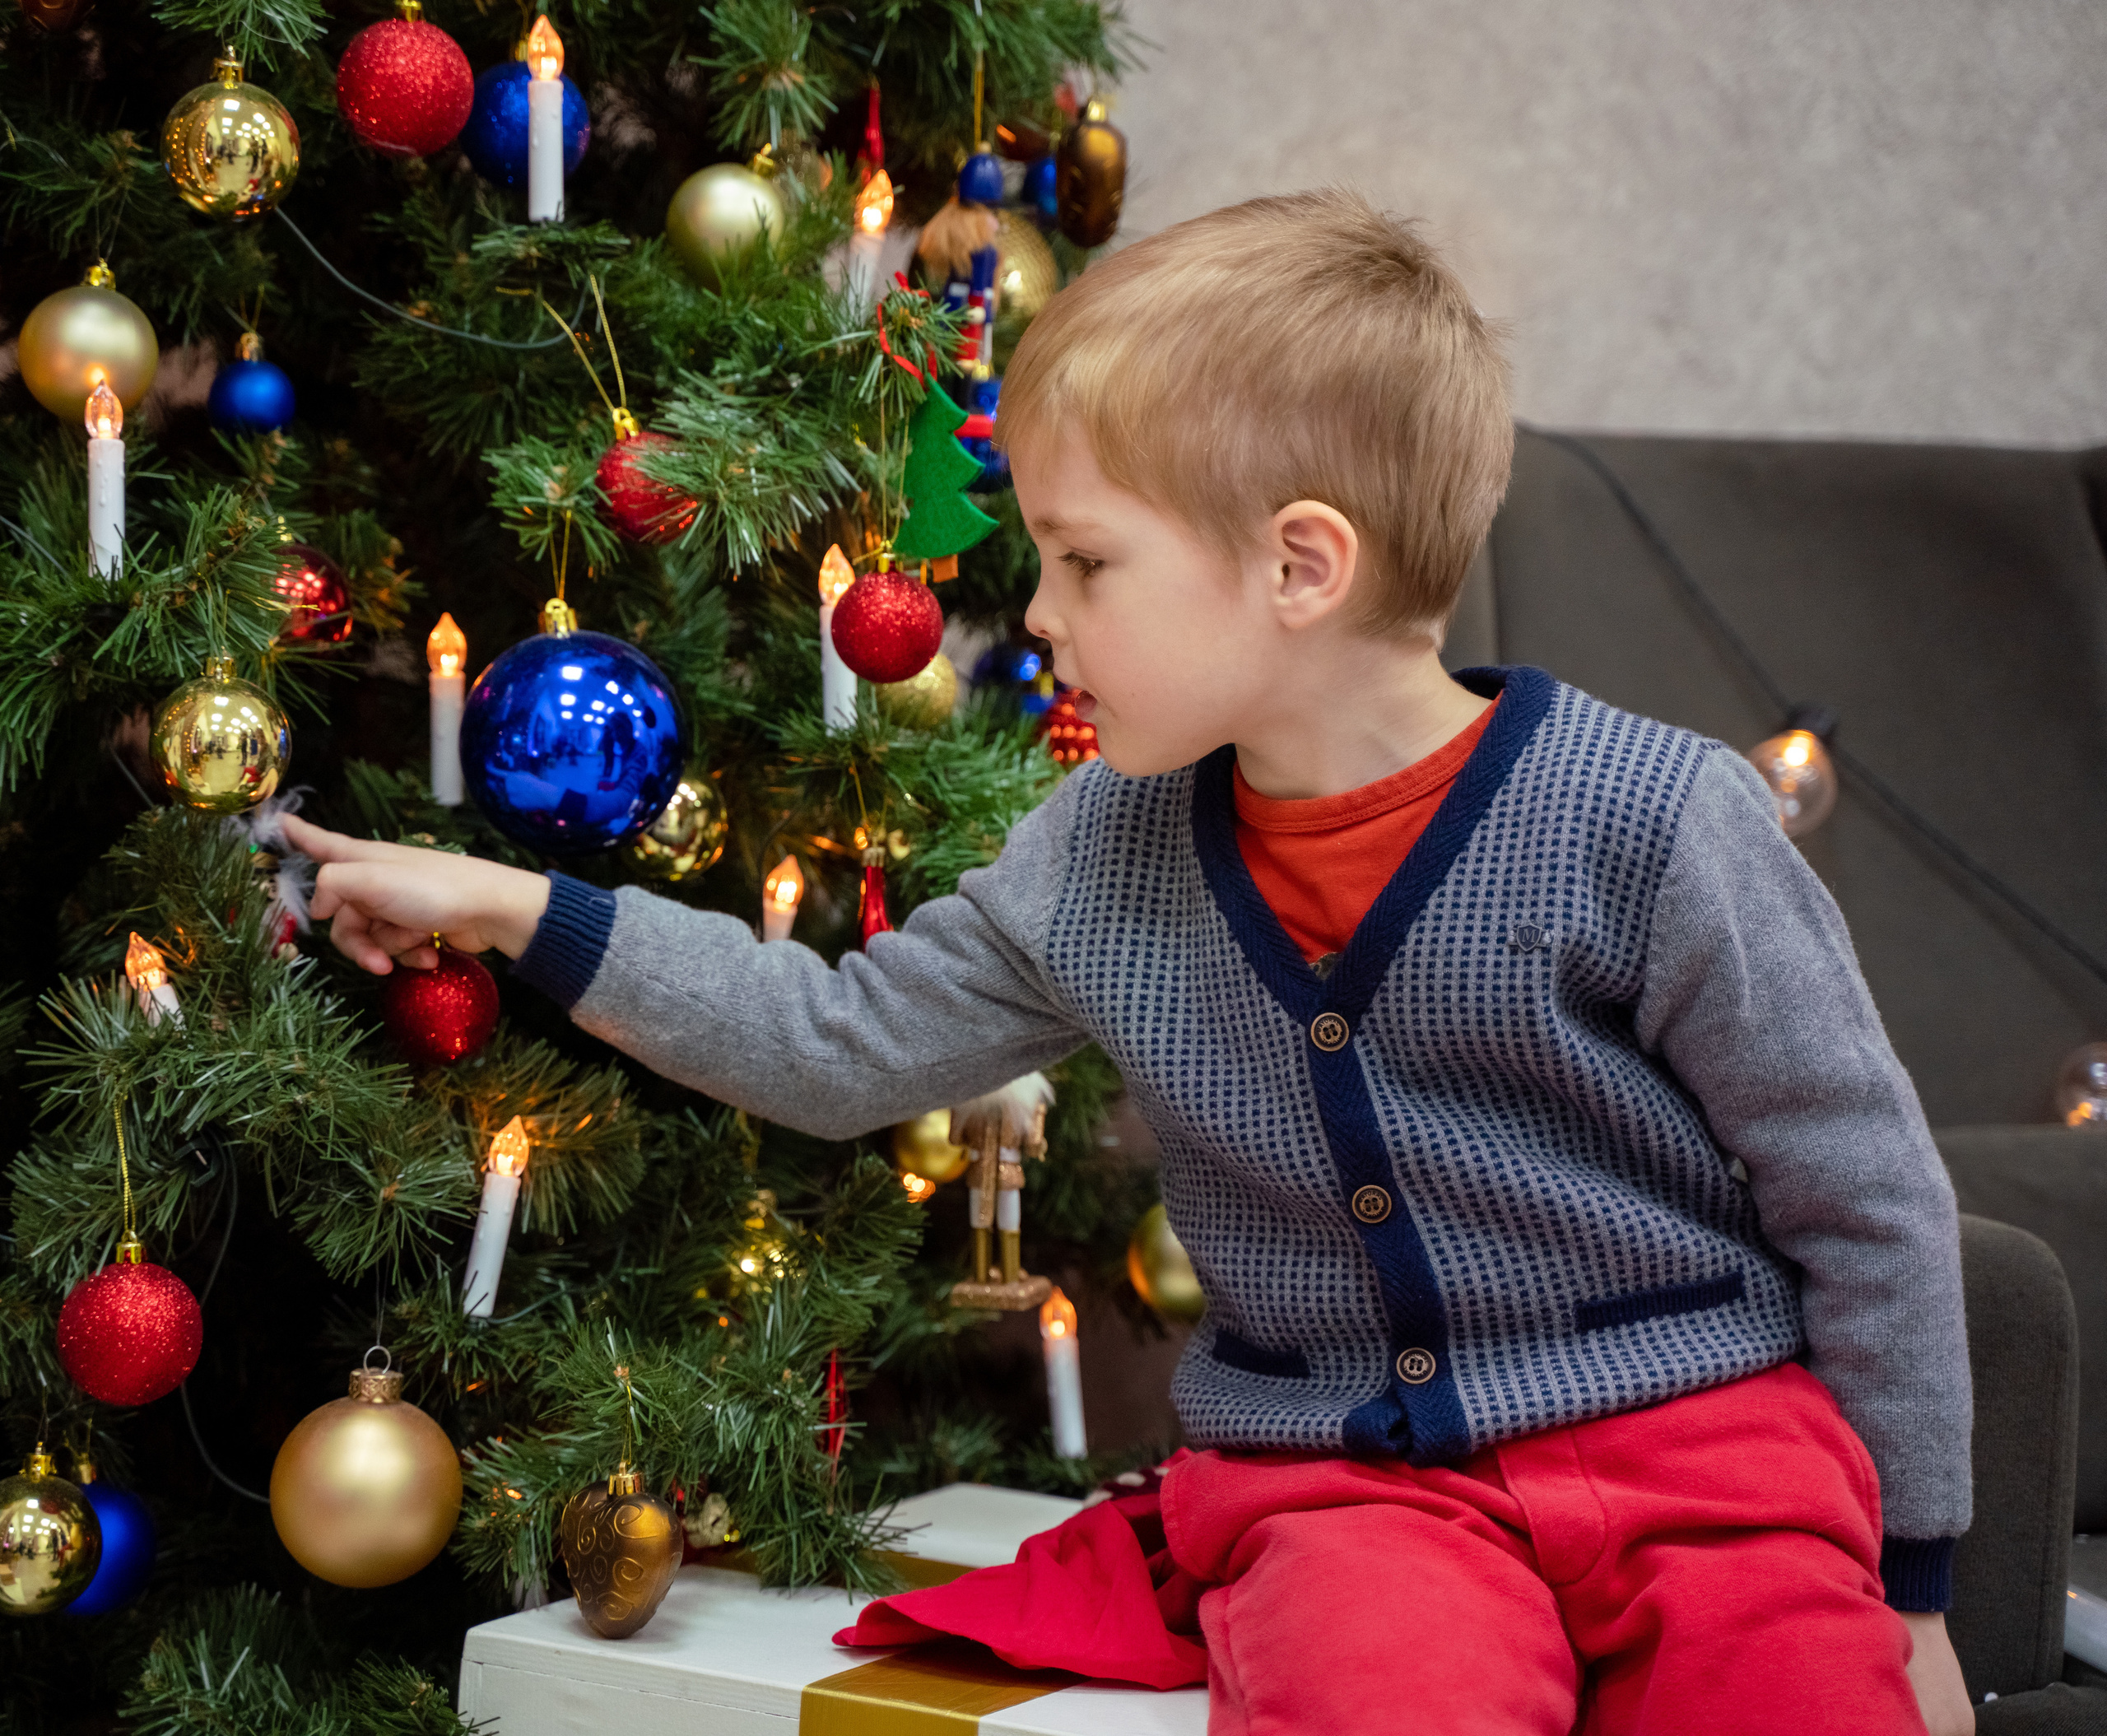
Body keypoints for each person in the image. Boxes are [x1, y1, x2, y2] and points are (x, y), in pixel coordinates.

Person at [283, 189, 1974, 1736]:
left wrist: (1907, 1585)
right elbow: (833, 1039)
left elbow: (1857, 1190)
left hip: (1710, 1463)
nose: (1035, 613)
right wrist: (519, 909)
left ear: (1299, 565)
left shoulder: (1649, 817)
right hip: (1353, 1492)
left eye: (1084, 560)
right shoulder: (1104, 851)